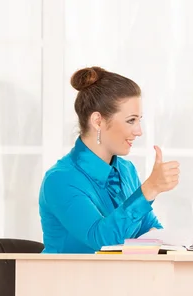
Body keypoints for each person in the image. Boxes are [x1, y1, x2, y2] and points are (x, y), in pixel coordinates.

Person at [39, 66, 180, 254]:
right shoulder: (60, 180)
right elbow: (103, 241)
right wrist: (149, 189)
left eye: (139, 120)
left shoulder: (126, 170)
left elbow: (150, 229)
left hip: (118, 280)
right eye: (131, 120)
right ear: (97, 121)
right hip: (68, 280)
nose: (139, 131)